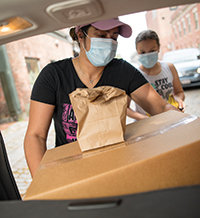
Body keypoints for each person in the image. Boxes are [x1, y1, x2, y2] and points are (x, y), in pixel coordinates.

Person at [24, 18, 181, 177]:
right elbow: (35, 136)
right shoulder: (54, 76)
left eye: (113, 37)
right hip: (73, 172)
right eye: (101, 35)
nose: (109, 42)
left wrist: (183, 122)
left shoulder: (123, 71)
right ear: (80, 35)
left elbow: (160, 106)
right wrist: (43, 183)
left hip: (118, 167)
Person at [127, 30, 185, 121]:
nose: (147, 55)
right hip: (146, 125)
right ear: (137, 51)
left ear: (159, 48)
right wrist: (145, 118)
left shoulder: (169, 68)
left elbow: (179, 92)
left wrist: (179, 101)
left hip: (169, 119)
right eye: (142, 52)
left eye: (152, 51)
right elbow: (125, 108)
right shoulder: (133, 75)